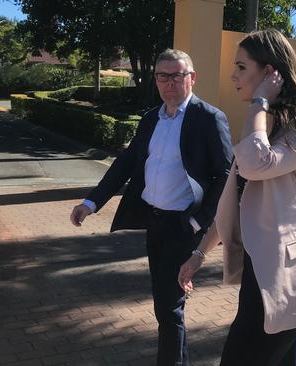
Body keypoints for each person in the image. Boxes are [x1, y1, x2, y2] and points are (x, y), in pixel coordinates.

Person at [178, 29, 296, 366]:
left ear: (269, 73)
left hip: (289, 279)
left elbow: (254, 164)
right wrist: (198, 254)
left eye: (241, 67)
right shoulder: (265, 126)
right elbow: (235, 202)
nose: (233, 76)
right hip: (262, 275)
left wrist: (260, 101)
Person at [70, 49, 233, 366]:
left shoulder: (209, 118)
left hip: (183, 227)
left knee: (168, 307)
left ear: (192, 78)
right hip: (154, 223)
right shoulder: (150, 118)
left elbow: (226, 175)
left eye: (177, 75)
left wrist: (199, 222)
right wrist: (92, 202)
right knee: (166, 304)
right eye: (163, 76)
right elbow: (127, 163)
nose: (169, 82)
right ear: (155, 80)